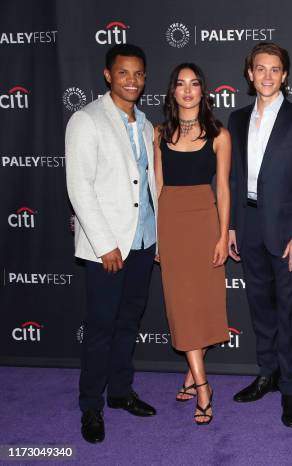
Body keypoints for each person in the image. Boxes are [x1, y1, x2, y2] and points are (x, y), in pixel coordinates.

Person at [228, 42, 292, 428]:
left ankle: (290, 389)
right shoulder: (235, 120)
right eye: (260, 68)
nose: (267, 75)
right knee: (260, 307)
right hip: (248, 225)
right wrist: (232, 225)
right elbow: (234, 179)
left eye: (275, 69)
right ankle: (266, 373)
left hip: (287, 234)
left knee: (289, 311)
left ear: (284, 75)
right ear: (250, 74)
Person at [65, 44, 157, 444]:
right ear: (108, 76)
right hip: (109, 248)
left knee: (128, 323)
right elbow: (79, 187)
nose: (132, 81)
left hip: (143, 242)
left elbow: (151, 188)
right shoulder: (86, 120)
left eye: (138, 74)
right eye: (124, 73)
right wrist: (104, 244)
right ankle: (91, 406)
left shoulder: (148, 123)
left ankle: (120, 392)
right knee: (101, 327)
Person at [153, 63, 231, 425]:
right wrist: (155, 235)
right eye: (180, 84)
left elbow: (225, 189)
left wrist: (222, 234)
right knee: (181, 305)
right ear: (173, 91)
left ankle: (192, 374)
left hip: (204, 221)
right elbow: (158, 188)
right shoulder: (160, 133)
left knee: (201, 304)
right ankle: (203, 387)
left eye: (194, 83)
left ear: (203, 91)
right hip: (171, 223)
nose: (187, 90)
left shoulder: (219, 134)